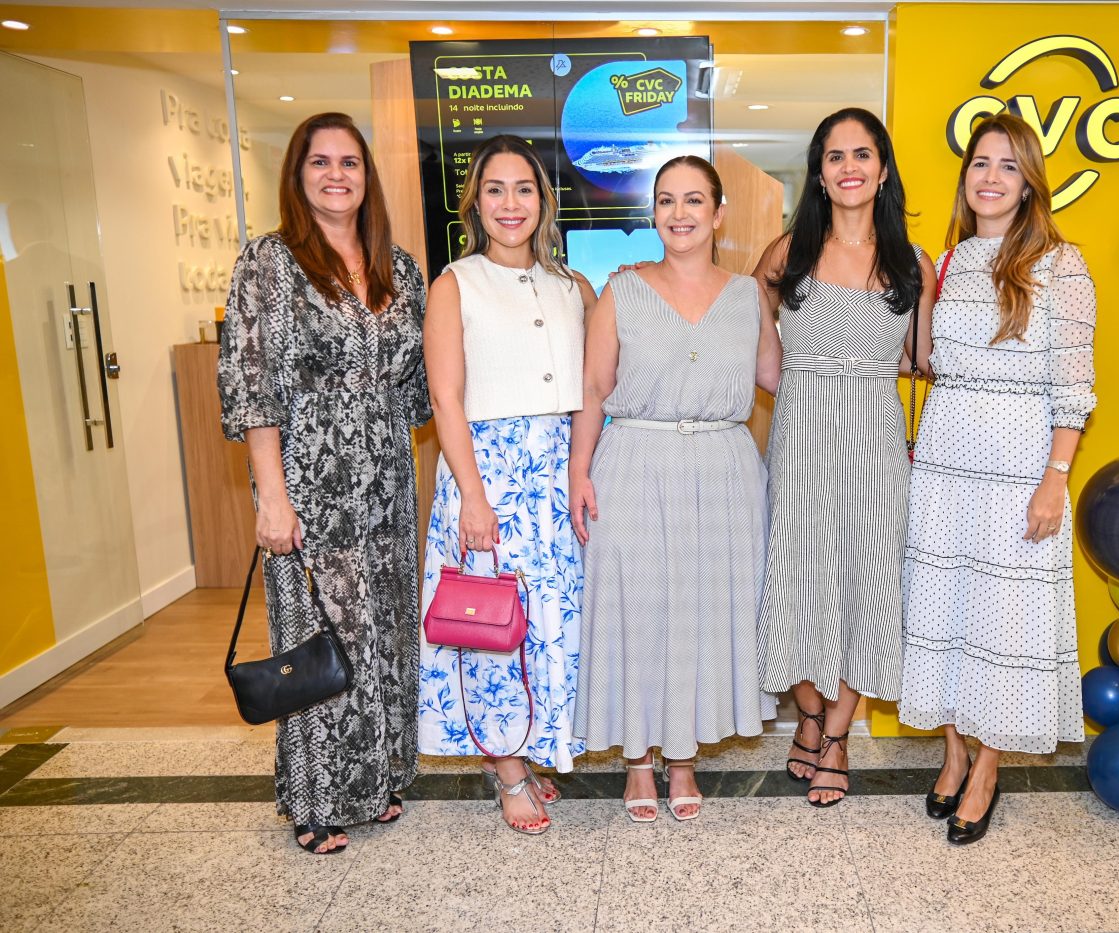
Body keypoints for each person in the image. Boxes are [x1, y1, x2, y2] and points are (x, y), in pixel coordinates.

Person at [218, 112, 430, 855]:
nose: (337, 175)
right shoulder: (268, 265)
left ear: (367, 177)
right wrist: (270, 496)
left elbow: (421, 384)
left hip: (386, 485)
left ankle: (373, 783)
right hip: (308, 484)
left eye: (350, 162)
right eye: (320, 162)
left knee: (381, 636)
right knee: (318, 641)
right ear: (297, 174)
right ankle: (314, 802)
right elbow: (253, 388)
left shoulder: (400, 268)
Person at [902, 112, 1097, 844]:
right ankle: (951, 755)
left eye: (1008, 165)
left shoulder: (1061, 264)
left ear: (1029, 183)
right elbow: (925, 361)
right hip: (947, 459)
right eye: (980, 163)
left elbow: (1074, 385)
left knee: (1003, 622)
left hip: (1020, 465)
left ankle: (987, 767)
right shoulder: (948, 263)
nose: (990, 177)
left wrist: (1055, 476)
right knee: (945, 609)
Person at [570, 155, 781, 823]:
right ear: (653, 212)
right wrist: (579, 469)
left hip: (723, 469)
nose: (680, 213)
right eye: (667, 200)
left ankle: (682, 756)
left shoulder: (749, 296)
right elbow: (593, 388)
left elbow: (783, 379)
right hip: (634, 461)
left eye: (695, 200)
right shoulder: (620, 290)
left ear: (719, 213)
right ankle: (639, 760)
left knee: (701, 613)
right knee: (639, 610)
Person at [754, 108, 933, 807]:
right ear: (820, 173)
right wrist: (776, 364)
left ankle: (835, 734)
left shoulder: (911, 264)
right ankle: (806, 710)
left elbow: (922, 360)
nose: (849, 166)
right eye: (834, 156)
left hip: (875, 434)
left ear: (883, 169)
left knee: (869, 580)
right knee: (795, 573)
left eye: (863, 154)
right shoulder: (786, 251)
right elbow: (752, 313)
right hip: (800, 430)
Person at [416, 135, 595, 835]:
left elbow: (590, 390)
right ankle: (509, 770)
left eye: (524, 189)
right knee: (491, 623)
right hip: (489, 474)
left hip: (553, 477)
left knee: (544, 621)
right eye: (495, 189)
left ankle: (530, 744)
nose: (510, 203)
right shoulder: (455, 283)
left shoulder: (571, 288)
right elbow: (445, 396)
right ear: (475, 203)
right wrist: (473, 495)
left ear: (544, 202)